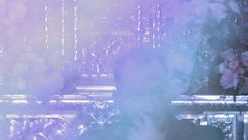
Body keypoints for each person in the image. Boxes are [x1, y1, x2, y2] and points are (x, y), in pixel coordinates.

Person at [87, 47, 223, 140]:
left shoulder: (205, 136)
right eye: (137, 95)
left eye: (157, 93)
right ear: (118, 100)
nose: (150, 106)